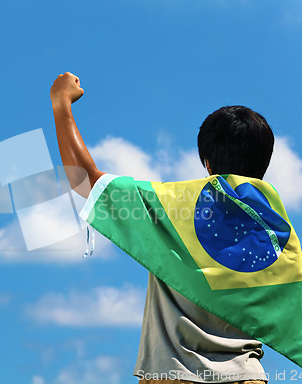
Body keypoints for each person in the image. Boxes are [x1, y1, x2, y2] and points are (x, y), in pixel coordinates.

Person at [50, 72, 271, 384]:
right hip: (247, 376)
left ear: (207, 163)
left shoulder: (174, 209)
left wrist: (61, 104)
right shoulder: (275, 232)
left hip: (174, 374)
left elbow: (83, 179)